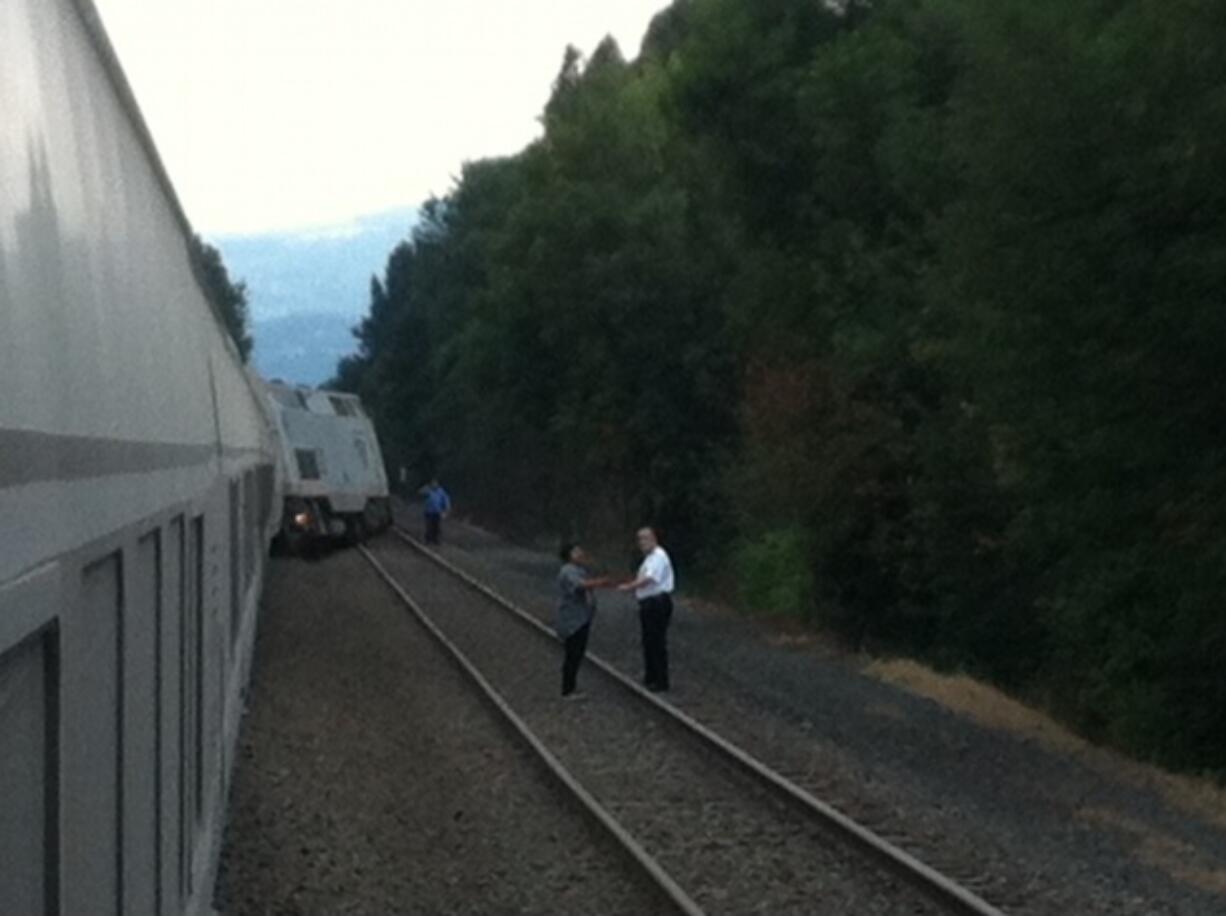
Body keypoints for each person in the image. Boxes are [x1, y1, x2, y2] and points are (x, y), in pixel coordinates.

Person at [618, 527, 675, 692]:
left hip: (657, 603)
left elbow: (649, 579)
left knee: (656, 641)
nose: (642, 543)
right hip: (648, 603)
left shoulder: (658, 556)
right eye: (640, 539)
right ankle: (651, 677)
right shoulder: (649, 558)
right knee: (649, 641)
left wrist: (629, 586)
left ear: (654, 539)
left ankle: (660, 680)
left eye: (645, 539)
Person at [556, 544, 613, 698]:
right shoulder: (568, 571)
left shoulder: (580, 570)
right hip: (572, 619)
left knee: (577, 653)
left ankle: (571, 687)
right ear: (568, 555)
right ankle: (568, 689)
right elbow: (580, 585)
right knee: (573, 654)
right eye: (576, 551)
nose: (580, 553)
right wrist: (600, 582)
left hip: (582, 618)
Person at [420, 478, 451, 545]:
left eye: (435, 483)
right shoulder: (428, 490)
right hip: (429, 511)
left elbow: (446, 500)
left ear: (438, 484)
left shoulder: (441, 491)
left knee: (437, 526)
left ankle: (436, 540)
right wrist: (425, 488)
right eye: (433, 483)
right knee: (429, 526)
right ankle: (428, 540)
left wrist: (446, 510)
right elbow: (420, 492)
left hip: (437, 511)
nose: (434, 484)